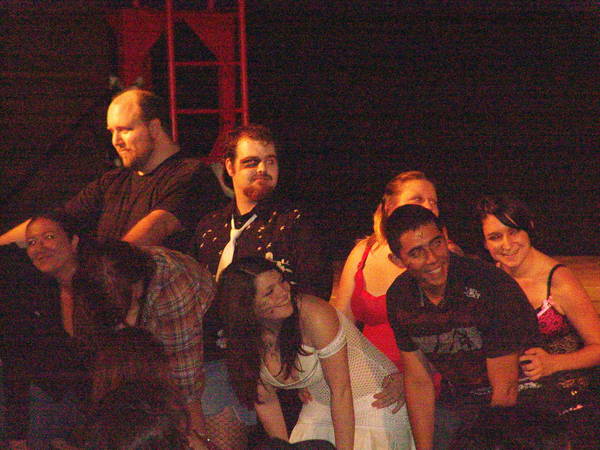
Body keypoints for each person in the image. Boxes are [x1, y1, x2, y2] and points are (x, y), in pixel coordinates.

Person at [193, 124, 331, 437]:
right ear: (229, 167)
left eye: (270, 161)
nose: (262, 169)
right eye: (251, 162)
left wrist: (296, 364)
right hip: (220, 360)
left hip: (282, 361)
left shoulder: (295, 221)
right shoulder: (209, 226)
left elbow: (314, 295)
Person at [384, 204, 540, 450]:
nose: (432, 258)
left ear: (445, 235)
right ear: (397, 260)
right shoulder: (401, 297)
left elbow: (506, 388)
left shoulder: (490, 285)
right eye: (416, 252)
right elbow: (418, 381)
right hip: (462, 400)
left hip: (524, 397)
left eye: (436, 243)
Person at [218, 257, 415, 449]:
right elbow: (265, 401)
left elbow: (341, 390)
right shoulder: (243, 339)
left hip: (372, 402)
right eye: (270, 292)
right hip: (319, 406)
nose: (283, 292)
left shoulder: (313, 313)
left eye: (282, 281)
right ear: (246, 305)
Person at [0, 88, 223, 250]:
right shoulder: (111, 182)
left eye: (125, 130)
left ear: (154, 128)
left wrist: (105, 275)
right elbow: (54, 222)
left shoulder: (191, 174)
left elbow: (157, 228)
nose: (116, 141)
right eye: (111, 132)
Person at [477, 195, 600, 448]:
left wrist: (554, 363)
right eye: (495, 237)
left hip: (568, 402)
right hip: (516, 400)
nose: (507, 244)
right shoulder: (489, 282)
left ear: (529, 228)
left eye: (513, 232)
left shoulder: (558, 280)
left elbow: (598, 347)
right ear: (485, 243)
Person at [71, 240, 220, 447]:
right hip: (144, 360)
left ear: (137, 287)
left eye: (127, 308)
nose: (124, 322)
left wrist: (197, 441)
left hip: (209, 351)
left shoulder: (173, 282)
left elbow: (186, 384)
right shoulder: (93, 283)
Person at [333, 171, 459, 374]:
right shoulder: (364, 251)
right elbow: (340, 324)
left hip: (425, 374)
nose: (428, 207)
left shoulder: (443, 257)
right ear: (390, 206)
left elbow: (457, 333)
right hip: (368, 373)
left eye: (433, 202)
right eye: (418, 199)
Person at [0, 211, 91, 449]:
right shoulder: (35, 294)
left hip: (102, 399)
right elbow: (18, 359)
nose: (39, 248)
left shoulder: (100, 287)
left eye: (49, 237)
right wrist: (18, 434)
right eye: (31, 242)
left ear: (73, 241)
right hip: (57, 398)